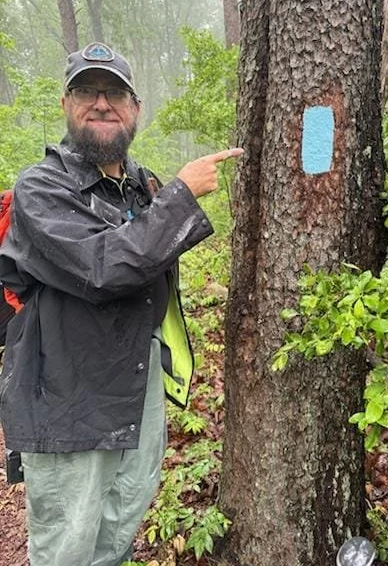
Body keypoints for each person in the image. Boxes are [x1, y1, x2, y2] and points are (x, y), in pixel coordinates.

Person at [0, 42, 243, 566]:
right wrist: (181, 195)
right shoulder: (40, 188)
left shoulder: (139, 184)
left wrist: (166, 197)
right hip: (66, 396)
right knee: (67, 544)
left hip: (136, 382)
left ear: (135, 108)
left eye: (115, 93)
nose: (101, 103)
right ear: (66, 104)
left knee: (119, 524)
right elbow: (102, 267)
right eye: (87, 91)